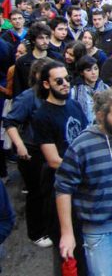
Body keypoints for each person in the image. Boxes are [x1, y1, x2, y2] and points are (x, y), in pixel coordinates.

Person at [54, 89, 112, 275]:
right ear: (101, 115)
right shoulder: (82, 145)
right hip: (99, 236)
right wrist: (67, 233)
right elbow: (63, 189)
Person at [32, 61, 89, 275]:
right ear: (46, 84)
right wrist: (84, 168)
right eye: (59, 81)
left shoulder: (74, 105)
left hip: (82, 186)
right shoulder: (42, 116)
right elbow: (53, 159)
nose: (66, 84)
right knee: (66, 246)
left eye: (67, 79)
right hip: (59, 187)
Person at [3, 58, 53, 248]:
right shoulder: (28, 97)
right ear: (39, 77)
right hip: (32, 152)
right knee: (36, 193)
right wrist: (20, 145)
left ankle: (48, 225)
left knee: (48, 191)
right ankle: (36, 232)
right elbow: (10, 122)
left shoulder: (52, 97)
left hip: (49, 151)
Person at [70, 56, 109, 124]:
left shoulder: (105, 88)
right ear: (82, 72)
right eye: (88, 70)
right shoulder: (75, 91)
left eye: (96, 69)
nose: (93, 72)